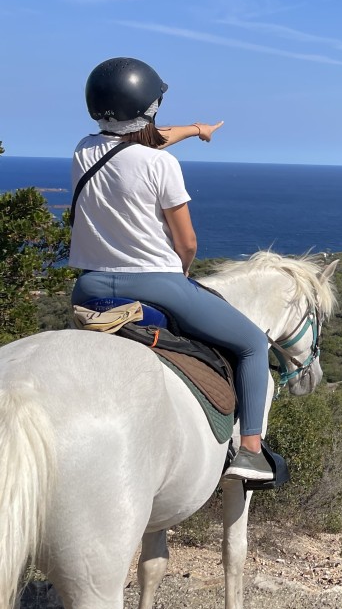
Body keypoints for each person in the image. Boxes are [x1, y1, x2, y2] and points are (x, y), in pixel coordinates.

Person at [69, 56, 276, 483]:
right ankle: (252, 453)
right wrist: (180, 272)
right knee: (255, 344)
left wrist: (197, 129)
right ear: (149, 109)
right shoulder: (160, 165)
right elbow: (187, 242)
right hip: (157, 284)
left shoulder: (83, 150)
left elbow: (142, 143)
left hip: (87, 288)